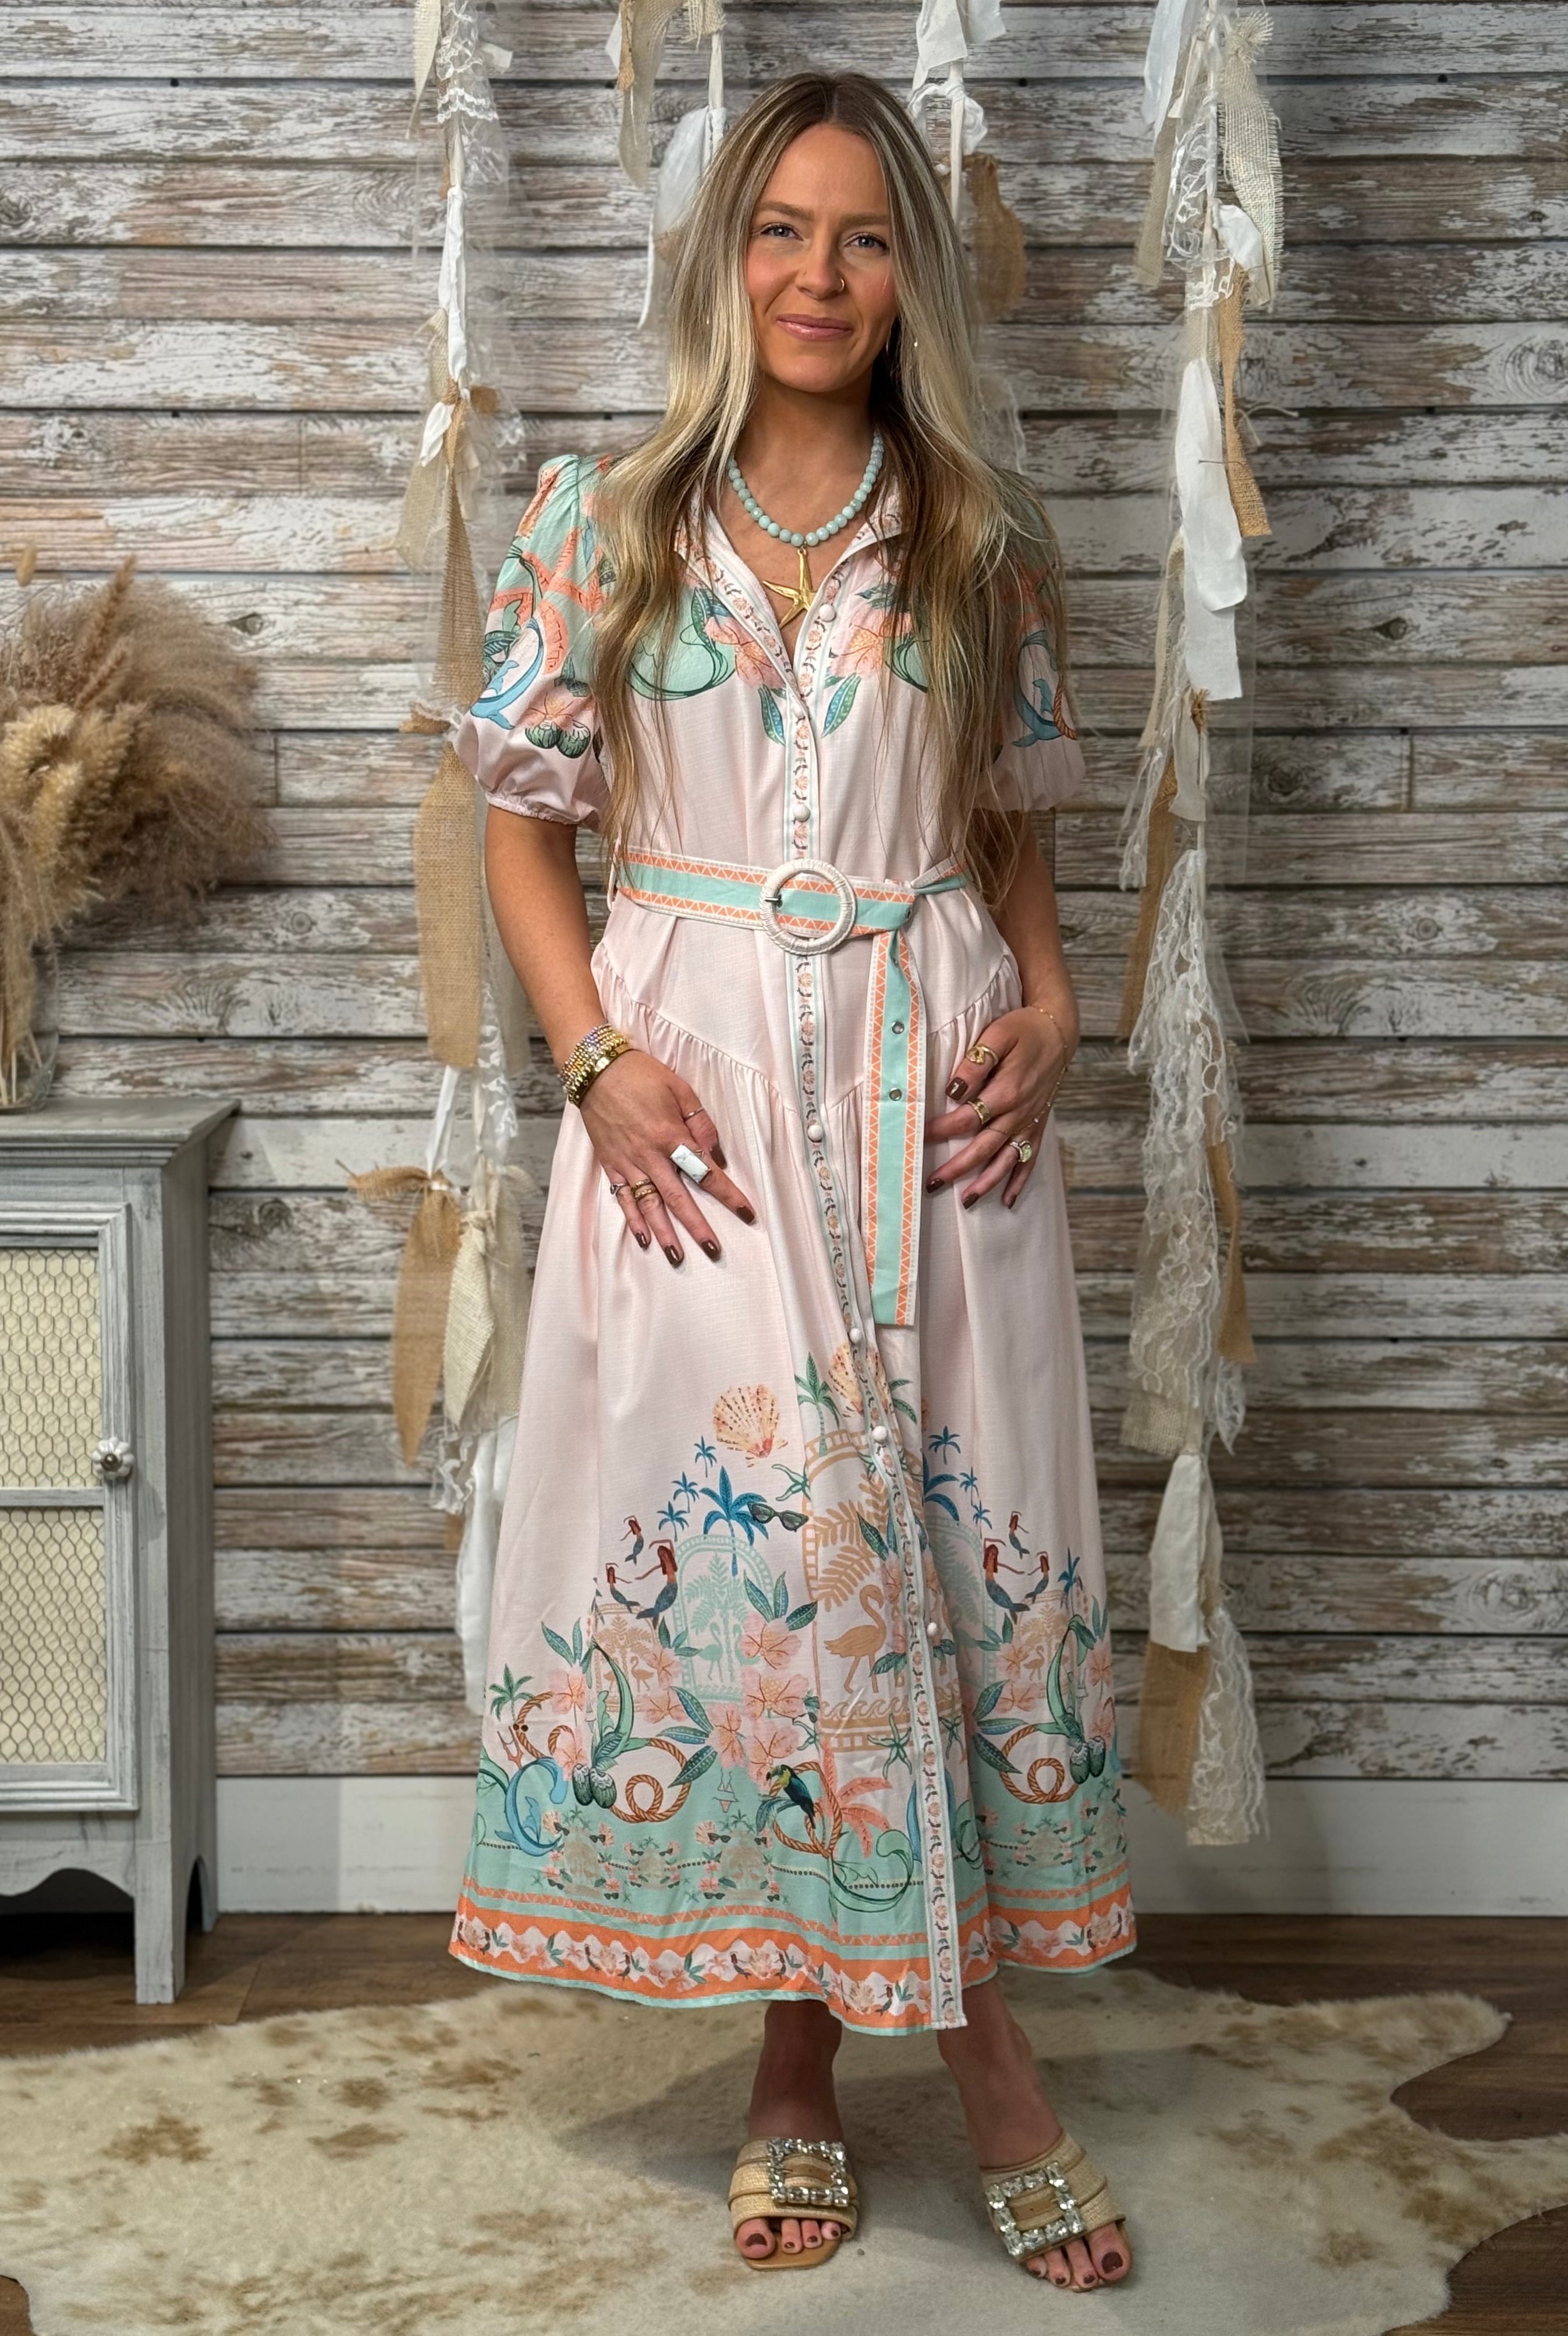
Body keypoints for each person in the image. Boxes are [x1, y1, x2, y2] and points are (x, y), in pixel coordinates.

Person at [448, 69, 1136, 2295]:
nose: (816, 276)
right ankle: (918, 2075)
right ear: (718, 255)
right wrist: (595, 1067)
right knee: (779, 1555)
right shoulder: (602, 518)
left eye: (860, 236)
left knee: (927, 1544)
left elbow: (1007, 819)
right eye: (778, 230)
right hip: (708, 1101)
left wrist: (1054, 1002)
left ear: (906, 273)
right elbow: (519, 828)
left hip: (931, 1084)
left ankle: (842, 2070)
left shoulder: (982, 535)